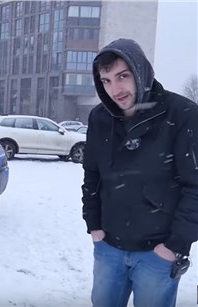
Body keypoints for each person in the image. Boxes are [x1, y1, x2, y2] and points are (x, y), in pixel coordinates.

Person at [81, 38, 198, 307]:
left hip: (157, 254)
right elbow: (92, 175)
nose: (115, 89)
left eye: (122, 76)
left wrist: (174, 246)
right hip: (109, 247)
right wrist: (94, 226)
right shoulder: (99, 118)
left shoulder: (184, 115)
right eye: (106, 80)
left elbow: (196, 187)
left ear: (140, 71)